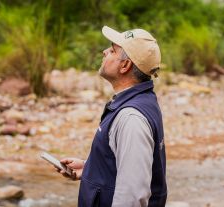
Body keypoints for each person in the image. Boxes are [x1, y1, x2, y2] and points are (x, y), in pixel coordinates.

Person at [56, 25, 167, 207]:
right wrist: (90, 169)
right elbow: (125, 167)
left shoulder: (131, 118)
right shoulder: (141, 101)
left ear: (125, 65)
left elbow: (132, 197)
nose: (105, 51)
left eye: (113, 50)